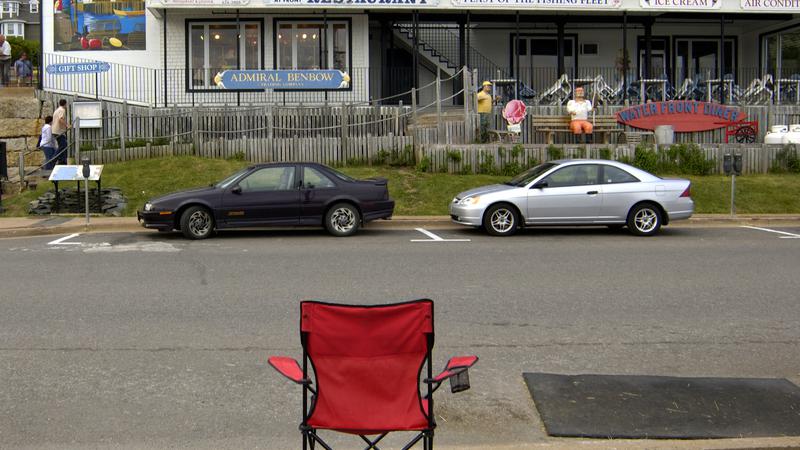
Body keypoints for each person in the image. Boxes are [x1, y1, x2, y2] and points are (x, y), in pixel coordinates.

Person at [52, 99, 70, 165]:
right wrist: (67, 125)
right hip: (58, 131)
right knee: (63, 145)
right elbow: (60, 119)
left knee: (62, 145)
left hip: (55, 130)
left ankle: (62, 161)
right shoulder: (62, 110)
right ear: (65, 104)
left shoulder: (57, 110)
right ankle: (53, 159)